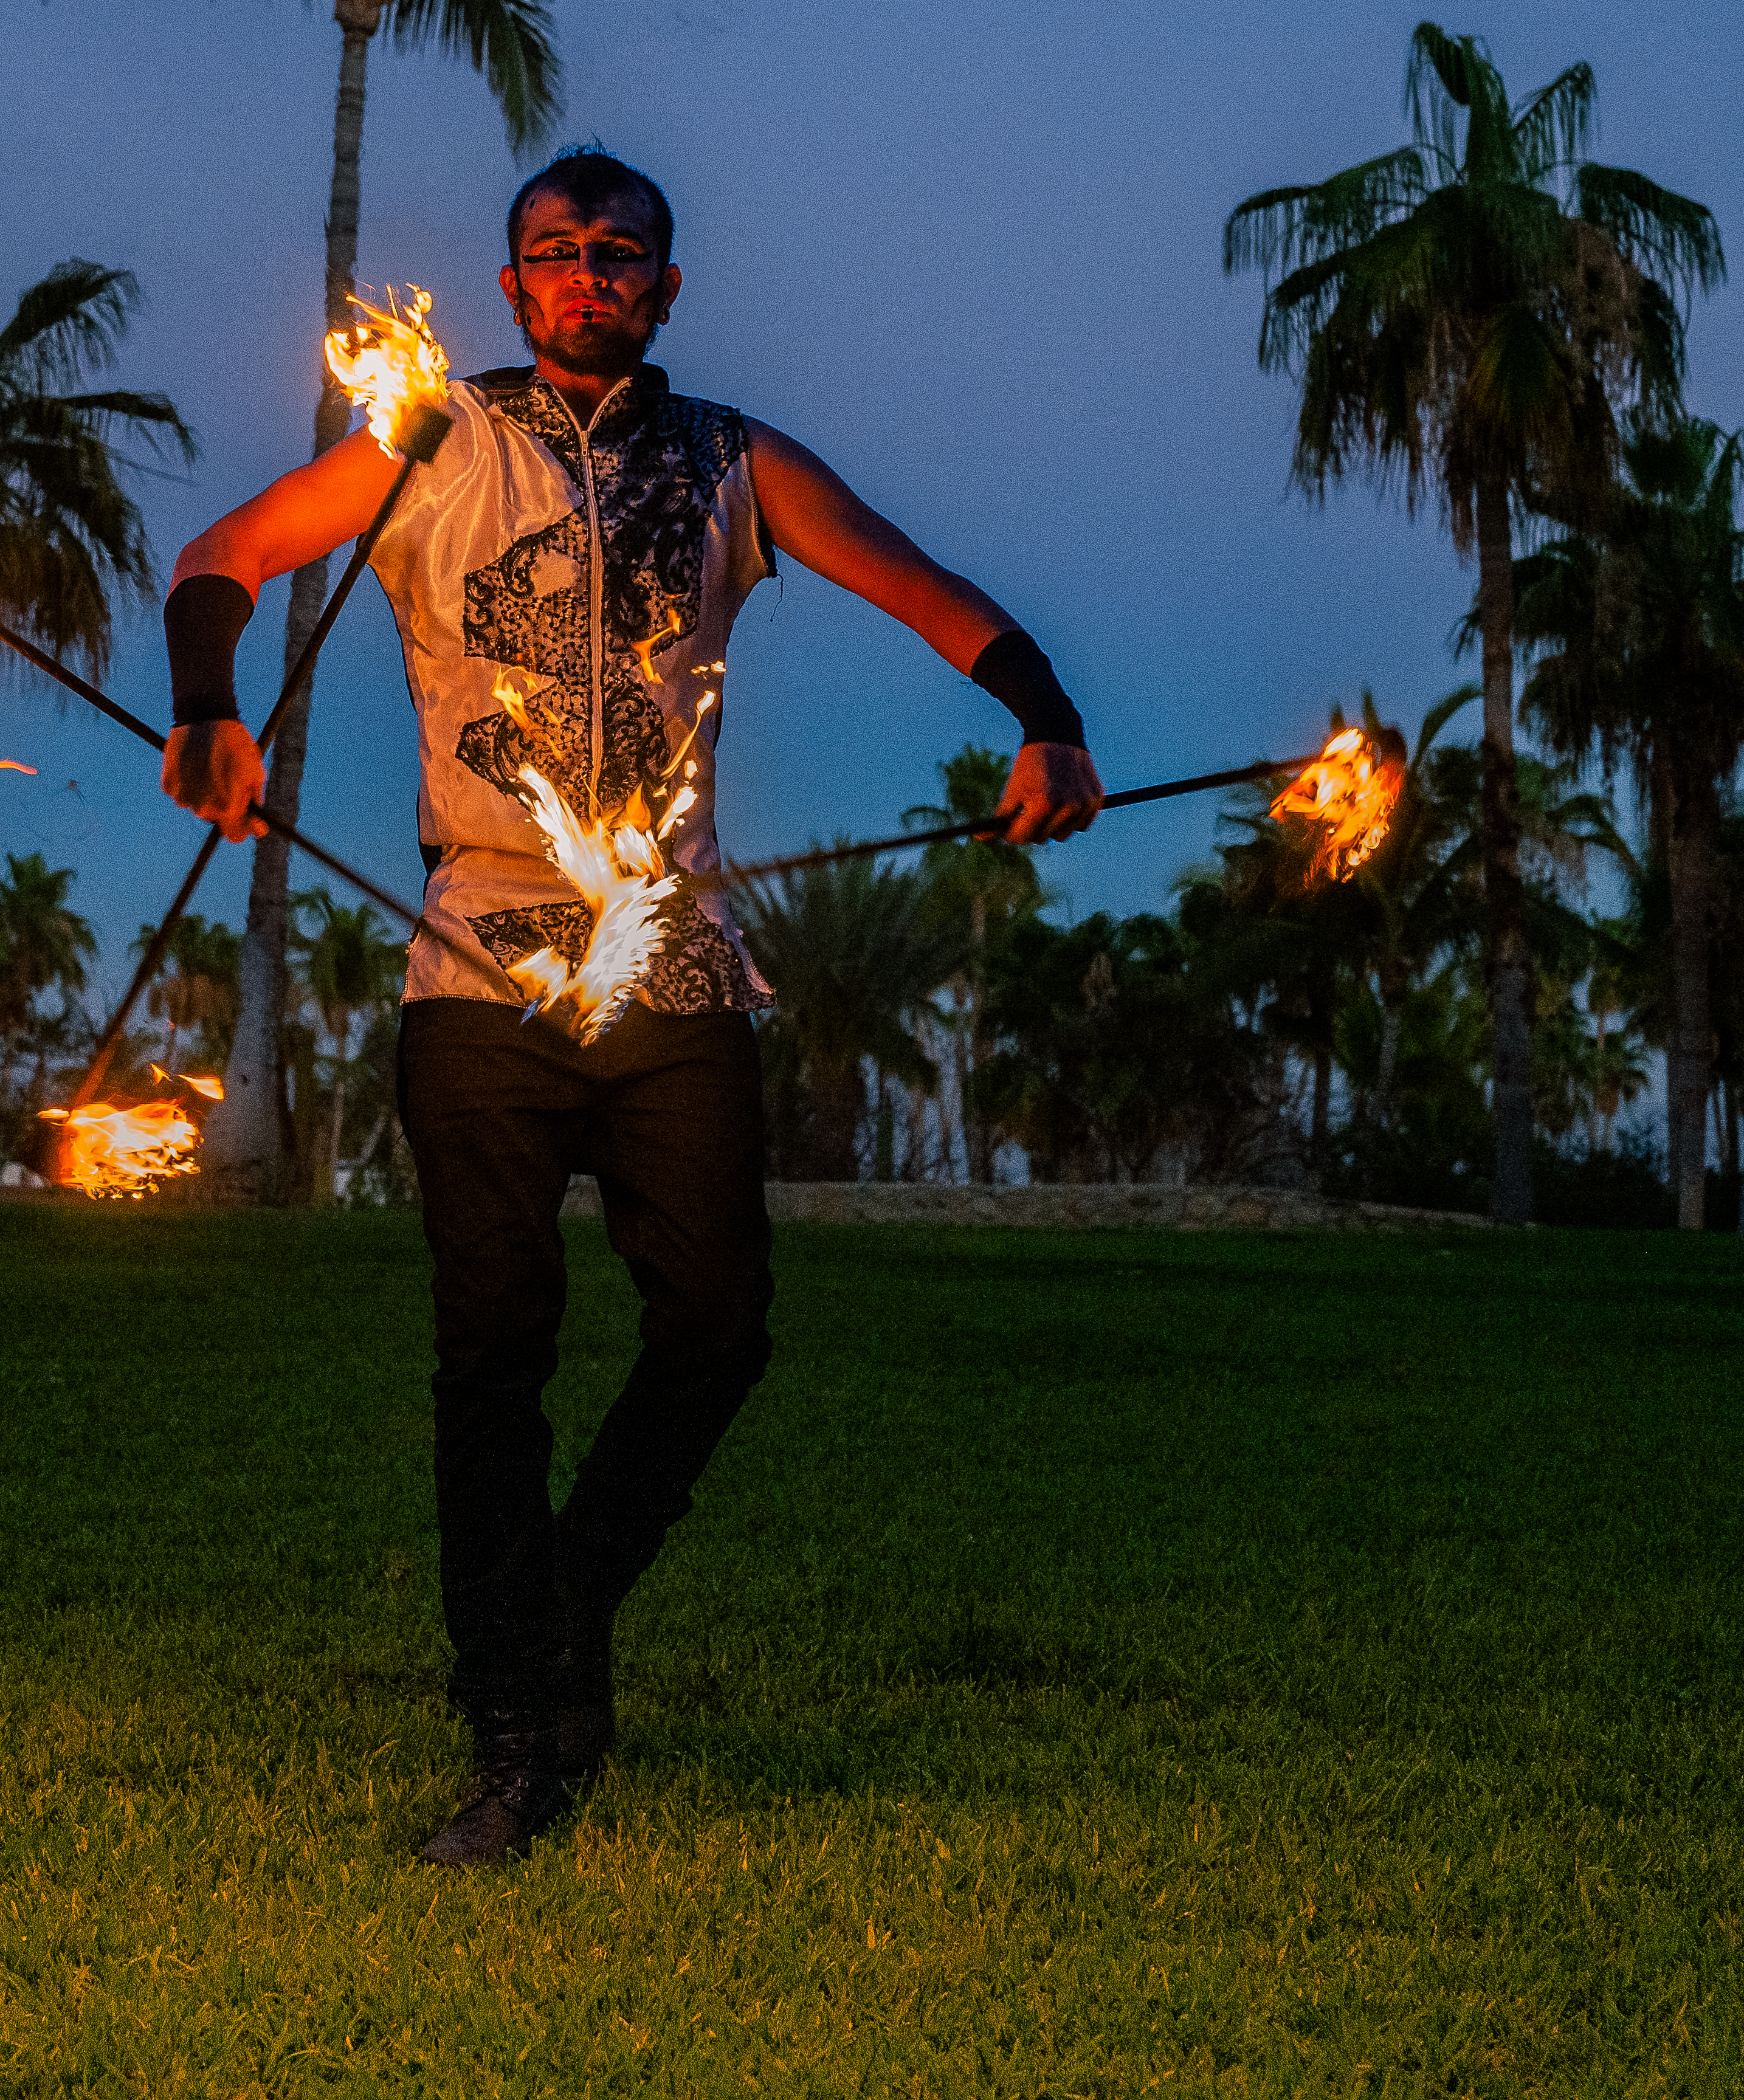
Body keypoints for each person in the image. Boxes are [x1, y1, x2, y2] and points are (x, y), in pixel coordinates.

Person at [160, 147, 1104, 1865]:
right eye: (552, 253)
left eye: (618, 253)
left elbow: (927, 589)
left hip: (670, 954)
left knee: (720, 1324)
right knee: (493, 1348)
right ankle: (522, 1733)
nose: (585, 274)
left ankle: (562, 1604)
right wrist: (210, 709)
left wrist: (1046, 720)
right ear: (513, 286)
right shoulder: (428, 437)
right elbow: (220, 558)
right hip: (475, 957)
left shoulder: (734, 462)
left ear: (669, 285)